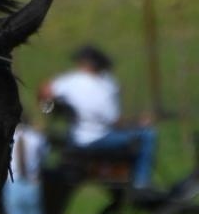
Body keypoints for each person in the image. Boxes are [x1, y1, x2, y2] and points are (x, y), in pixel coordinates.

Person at [38, 45, 157, 188]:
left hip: (76, 137)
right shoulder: (105, 86)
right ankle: (141, 183)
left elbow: (44, 90)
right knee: (147, 135)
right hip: (97, 138)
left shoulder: (69, 81)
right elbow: (116, 122)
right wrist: (138, 122)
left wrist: (49, 107)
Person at [2, 116, 48, 214]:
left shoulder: (7, 139)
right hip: (32, 184)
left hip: (13, 185)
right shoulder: (36, 137)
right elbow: (45, 158)